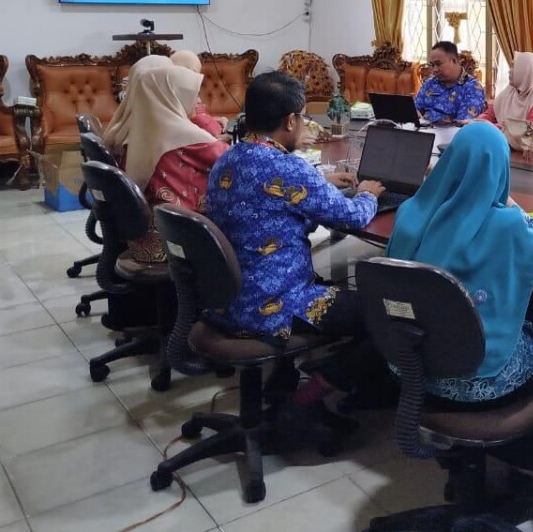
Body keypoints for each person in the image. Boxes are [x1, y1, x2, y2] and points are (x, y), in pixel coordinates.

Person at [203, 71, 389, 426]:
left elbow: (265, 197)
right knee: (382, 313)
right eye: (302, 117)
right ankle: (318, 387)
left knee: (346, 291)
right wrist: (367, 192)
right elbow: (350, 216)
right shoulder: (289, 169)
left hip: (227, 296)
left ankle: (287, 376)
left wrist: (318, 182)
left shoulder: (228, 157)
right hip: (275, 302)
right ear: (290, 121)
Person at [384, 123, 533, 471]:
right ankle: (530, 460)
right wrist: (517, 212)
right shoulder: (507, 226)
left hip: (413, 366)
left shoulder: (409, 213)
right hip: (485, 379)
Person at [103, 56, 228, 262]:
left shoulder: (143, 126)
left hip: (146, 232)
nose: (195, 102)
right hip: (176, 237)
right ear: (171, 95)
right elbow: (229, 159)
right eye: (189, 95)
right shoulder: (182, 135)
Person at [478, 51, 533, 133]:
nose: (509, 71)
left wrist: (489, 127)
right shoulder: (512, 90)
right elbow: (491, 112)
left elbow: (530, 130)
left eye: (513, 67)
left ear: (526, 71)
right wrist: (477, 122)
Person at [414, 41, 487, 125]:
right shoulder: (430, 83)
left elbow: (463, 124)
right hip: (424, 133)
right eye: (432, 65)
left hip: (453, 136)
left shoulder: (473, 88)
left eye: (438, 64)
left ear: (454, 61)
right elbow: (416, 108)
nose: (435, 70)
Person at [168, 50, 225, 137]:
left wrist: (215, 120)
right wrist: (219, 124)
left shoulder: (167, 93)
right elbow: (213, 131)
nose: (199, 101)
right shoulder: (187, 100)